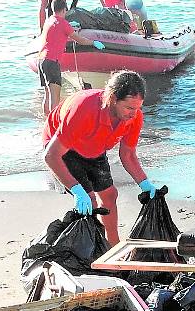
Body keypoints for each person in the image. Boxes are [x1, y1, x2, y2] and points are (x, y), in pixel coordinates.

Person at [43, 71, 163, 244]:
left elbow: (127, 154)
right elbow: (51, 156)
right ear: (113, 98)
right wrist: (77, 190)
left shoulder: (134, 117)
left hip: (94, 144)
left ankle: (113, 245)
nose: (133, 114)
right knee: (89, 201)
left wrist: (145, 184)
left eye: (138, 108)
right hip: (63, 149)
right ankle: (92, 250)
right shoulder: (83, 109)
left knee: (109, 195)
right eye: (129, 108)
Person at [37, 0, 104, 115]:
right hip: (52, 61)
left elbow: (56, 33)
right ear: (64, 9)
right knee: (55, 97)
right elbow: (80, 40)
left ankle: (45, 122)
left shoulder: (49, 21)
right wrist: (93, 43)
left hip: (41, 61)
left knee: (47, 95)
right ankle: (53, 124)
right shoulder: (63, 24)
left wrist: (69, 27)